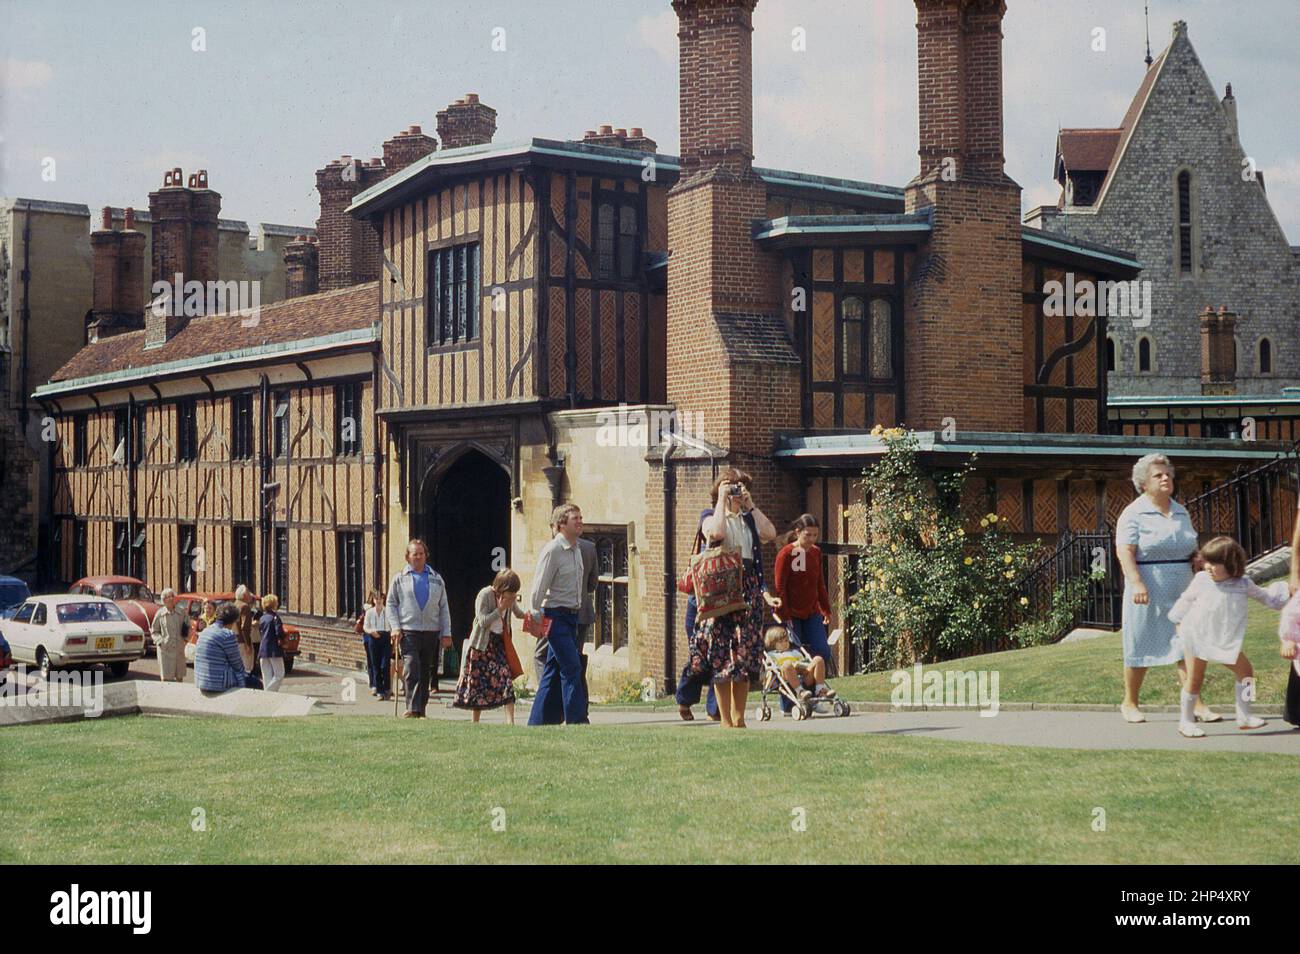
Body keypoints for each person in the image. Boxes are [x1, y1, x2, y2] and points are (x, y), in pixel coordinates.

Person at [1114, 453, 1208, 724]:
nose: (1166, 478)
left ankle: (1196, 704)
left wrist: (1199, 560)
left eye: (1168, 474)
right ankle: (1130, 702)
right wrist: (1136, 583)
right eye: (1158, 475)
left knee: (1186, 645)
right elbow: (1125, 552)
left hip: (1182, 586)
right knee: (1140, 643)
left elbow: (1190, 546)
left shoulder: (1181, 511)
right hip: (1147, 586)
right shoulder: (1133, 513)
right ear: (1143, 483)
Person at [1168, 536, 1290, 738]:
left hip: (1224, 638)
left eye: (1215, 563)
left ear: (1231, 564)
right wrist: (1178, 622)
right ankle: (1186, 720)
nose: (1208, 566)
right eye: (1207, 561)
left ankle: (1245, 715)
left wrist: (1285, 593)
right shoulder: (1201, 580)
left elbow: (1266, 597)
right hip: (1197, 636)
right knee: (1195, 679)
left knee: (1247, 673)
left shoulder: (1243, 584)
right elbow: (1185, 601)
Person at [693, 468, 777, 728]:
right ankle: (725, 720)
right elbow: (715, 534)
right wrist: (721, 500)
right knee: (722, 655)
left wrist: (750, 505)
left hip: (748, 588)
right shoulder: (709, 516)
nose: (738, 492)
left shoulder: (748, 518)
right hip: (722, 589)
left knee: (743, 654)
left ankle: (739, 719)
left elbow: (770, 533)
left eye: (741, 487)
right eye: (733, 487)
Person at [533, 507, 597, 724]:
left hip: (572, 617)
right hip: (555, 616)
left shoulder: (577, 549)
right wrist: (535, 614)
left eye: (581, 517)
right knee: (572, 667)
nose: (580, 522)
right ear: (561, 524)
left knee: (552, 670)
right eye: (575, 519)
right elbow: (539, 587)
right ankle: (577, 721)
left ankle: (539, 721)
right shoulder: (553, 550)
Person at [773, 514, 834, 710]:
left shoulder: (815, 552)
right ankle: (789, 702)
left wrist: (825, 608)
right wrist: (784, 615)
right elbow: (780, 587)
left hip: (811, 611)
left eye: (815, 535)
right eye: (808, 535)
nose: (812, 539)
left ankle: (816, 692)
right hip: (791, 614)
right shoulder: (786, 554)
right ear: (798, 532)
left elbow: (819, 583)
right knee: (793, 657)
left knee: (821, 651)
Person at [386, 539, 452, 718]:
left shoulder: (436, 579)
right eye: (414, 554)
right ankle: (412, 707)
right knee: (411, 666)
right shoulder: (399, 578)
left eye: (421, 553)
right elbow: (391, 604)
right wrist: (395, 627)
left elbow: (444, 607)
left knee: (425, 671)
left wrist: (446, 633)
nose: (418, 557)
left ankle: (421, 709)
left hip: (431, 631)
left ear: (426, 555)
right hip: (408, 630)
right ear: (408, 557)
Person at [455, 569, 527, 724]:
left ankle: (510, 722)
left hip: (499, 643)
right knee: (478, 682)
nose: (512, 597)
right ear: (501, 588)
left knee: (505, 677)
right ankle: (475, 721)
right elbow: (482, 621)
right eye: (510, 593)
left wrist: (530, 616)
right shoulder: (485, 595)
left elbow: (518, 612)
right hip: (482, 645)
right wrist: (500, 609)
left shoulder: (510, 598)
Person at [676, 508, 719, 721]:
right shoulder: (707, 522)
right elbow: (710, 529)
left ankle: (715, 709)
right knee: (699, 657)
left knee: (720, 658)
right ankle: (685, 700)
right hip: (698, 610)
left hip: (722, 609)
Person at [764, 625, 835, 704]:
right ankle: (800, 692)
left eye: (786, 641)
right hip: (786, 676)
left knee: (818, 659)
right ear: (773, 643)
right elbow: (770, 668)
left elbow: (805, 664)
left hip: (804, 676)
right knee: (787, 664)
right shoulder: (772, 655)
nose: (785, 643)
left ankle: (820, 690)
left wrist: (801, 665)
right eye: (781, 642)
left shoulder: (795, 653)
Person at [194, 603, 247, 695]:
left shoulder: (206, 631)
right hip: (218, 682)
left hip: (201, 680)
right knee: (256, 683)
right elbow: (237, 665)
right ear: (233, 621)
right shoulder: (227, 635)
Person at [150, 587, 187, 683]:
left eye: (172, 596)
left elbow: (187, 626)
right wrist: (160, 641)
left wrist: (186, 638)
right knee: (166, 678)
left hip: (179, 649)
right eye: (168, 597)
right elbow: (154, 631)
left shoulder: (181, 612)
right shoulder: (160, 613)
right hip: (165, 650)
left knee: (180, 676)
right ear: (163, 599)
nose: (171, 598)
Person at [363, 589, 392, 700]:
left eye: (380, 599)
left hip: (385, 637)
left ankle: (387, 688)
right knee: (375, 665)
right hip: (373, 638)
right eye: (376, 599)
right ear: (373, 600)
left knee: (385, 665)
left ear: (383, 599)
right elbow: (365, 626)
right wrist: (371, 632)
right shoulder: (369, 612)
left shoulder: (388, 611)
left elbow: (392, 625)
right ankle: (379, 691)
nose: (378, 601)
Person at [257, 593, 287, 693]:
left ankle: (267, 696)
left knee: (266, 675)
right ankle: (268, 693)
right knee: (279, 673)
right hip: (274, 649)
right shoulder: (275, 618)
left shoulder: (262, 618)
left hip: (263, 649)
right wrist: (283, 637)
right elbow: (279, 632)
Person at [233, 584, 256, 674]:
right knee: (246, 667)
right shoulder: (245, 607)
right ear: (245, 595)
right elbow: (245, 627)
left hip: (234, 640)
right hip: (242, 642)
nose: (250, 595)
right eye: (249, 593)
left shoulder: (234, 605)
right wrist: (248, 645)